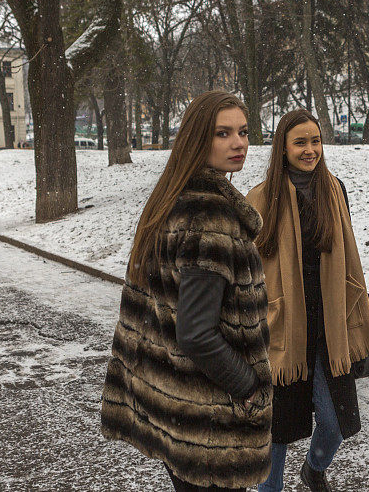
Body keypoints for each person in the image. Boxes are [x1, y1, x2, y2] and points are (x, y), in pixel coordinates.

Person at [100, 91, 272, 491]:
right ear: (197, 139)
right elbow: (196, 333)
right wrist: (248, 388)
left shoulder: (173, 199)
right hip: (210, 421)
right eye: (222, 133)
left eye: (243, 132)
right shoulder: (210, 216)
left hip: (181, 410)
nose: (238, 143)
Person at [246, 109, 369, 492]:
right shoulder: (260, 198)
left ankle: (314, 467)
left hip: (329, 326)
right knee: (278, 432)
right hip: (282, 328)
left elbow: (346, 257)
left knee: (337, 422)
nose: (310, 150)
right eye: (300, 142)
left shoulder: (334, 191)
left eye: (315, 141)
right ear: (282, 148)